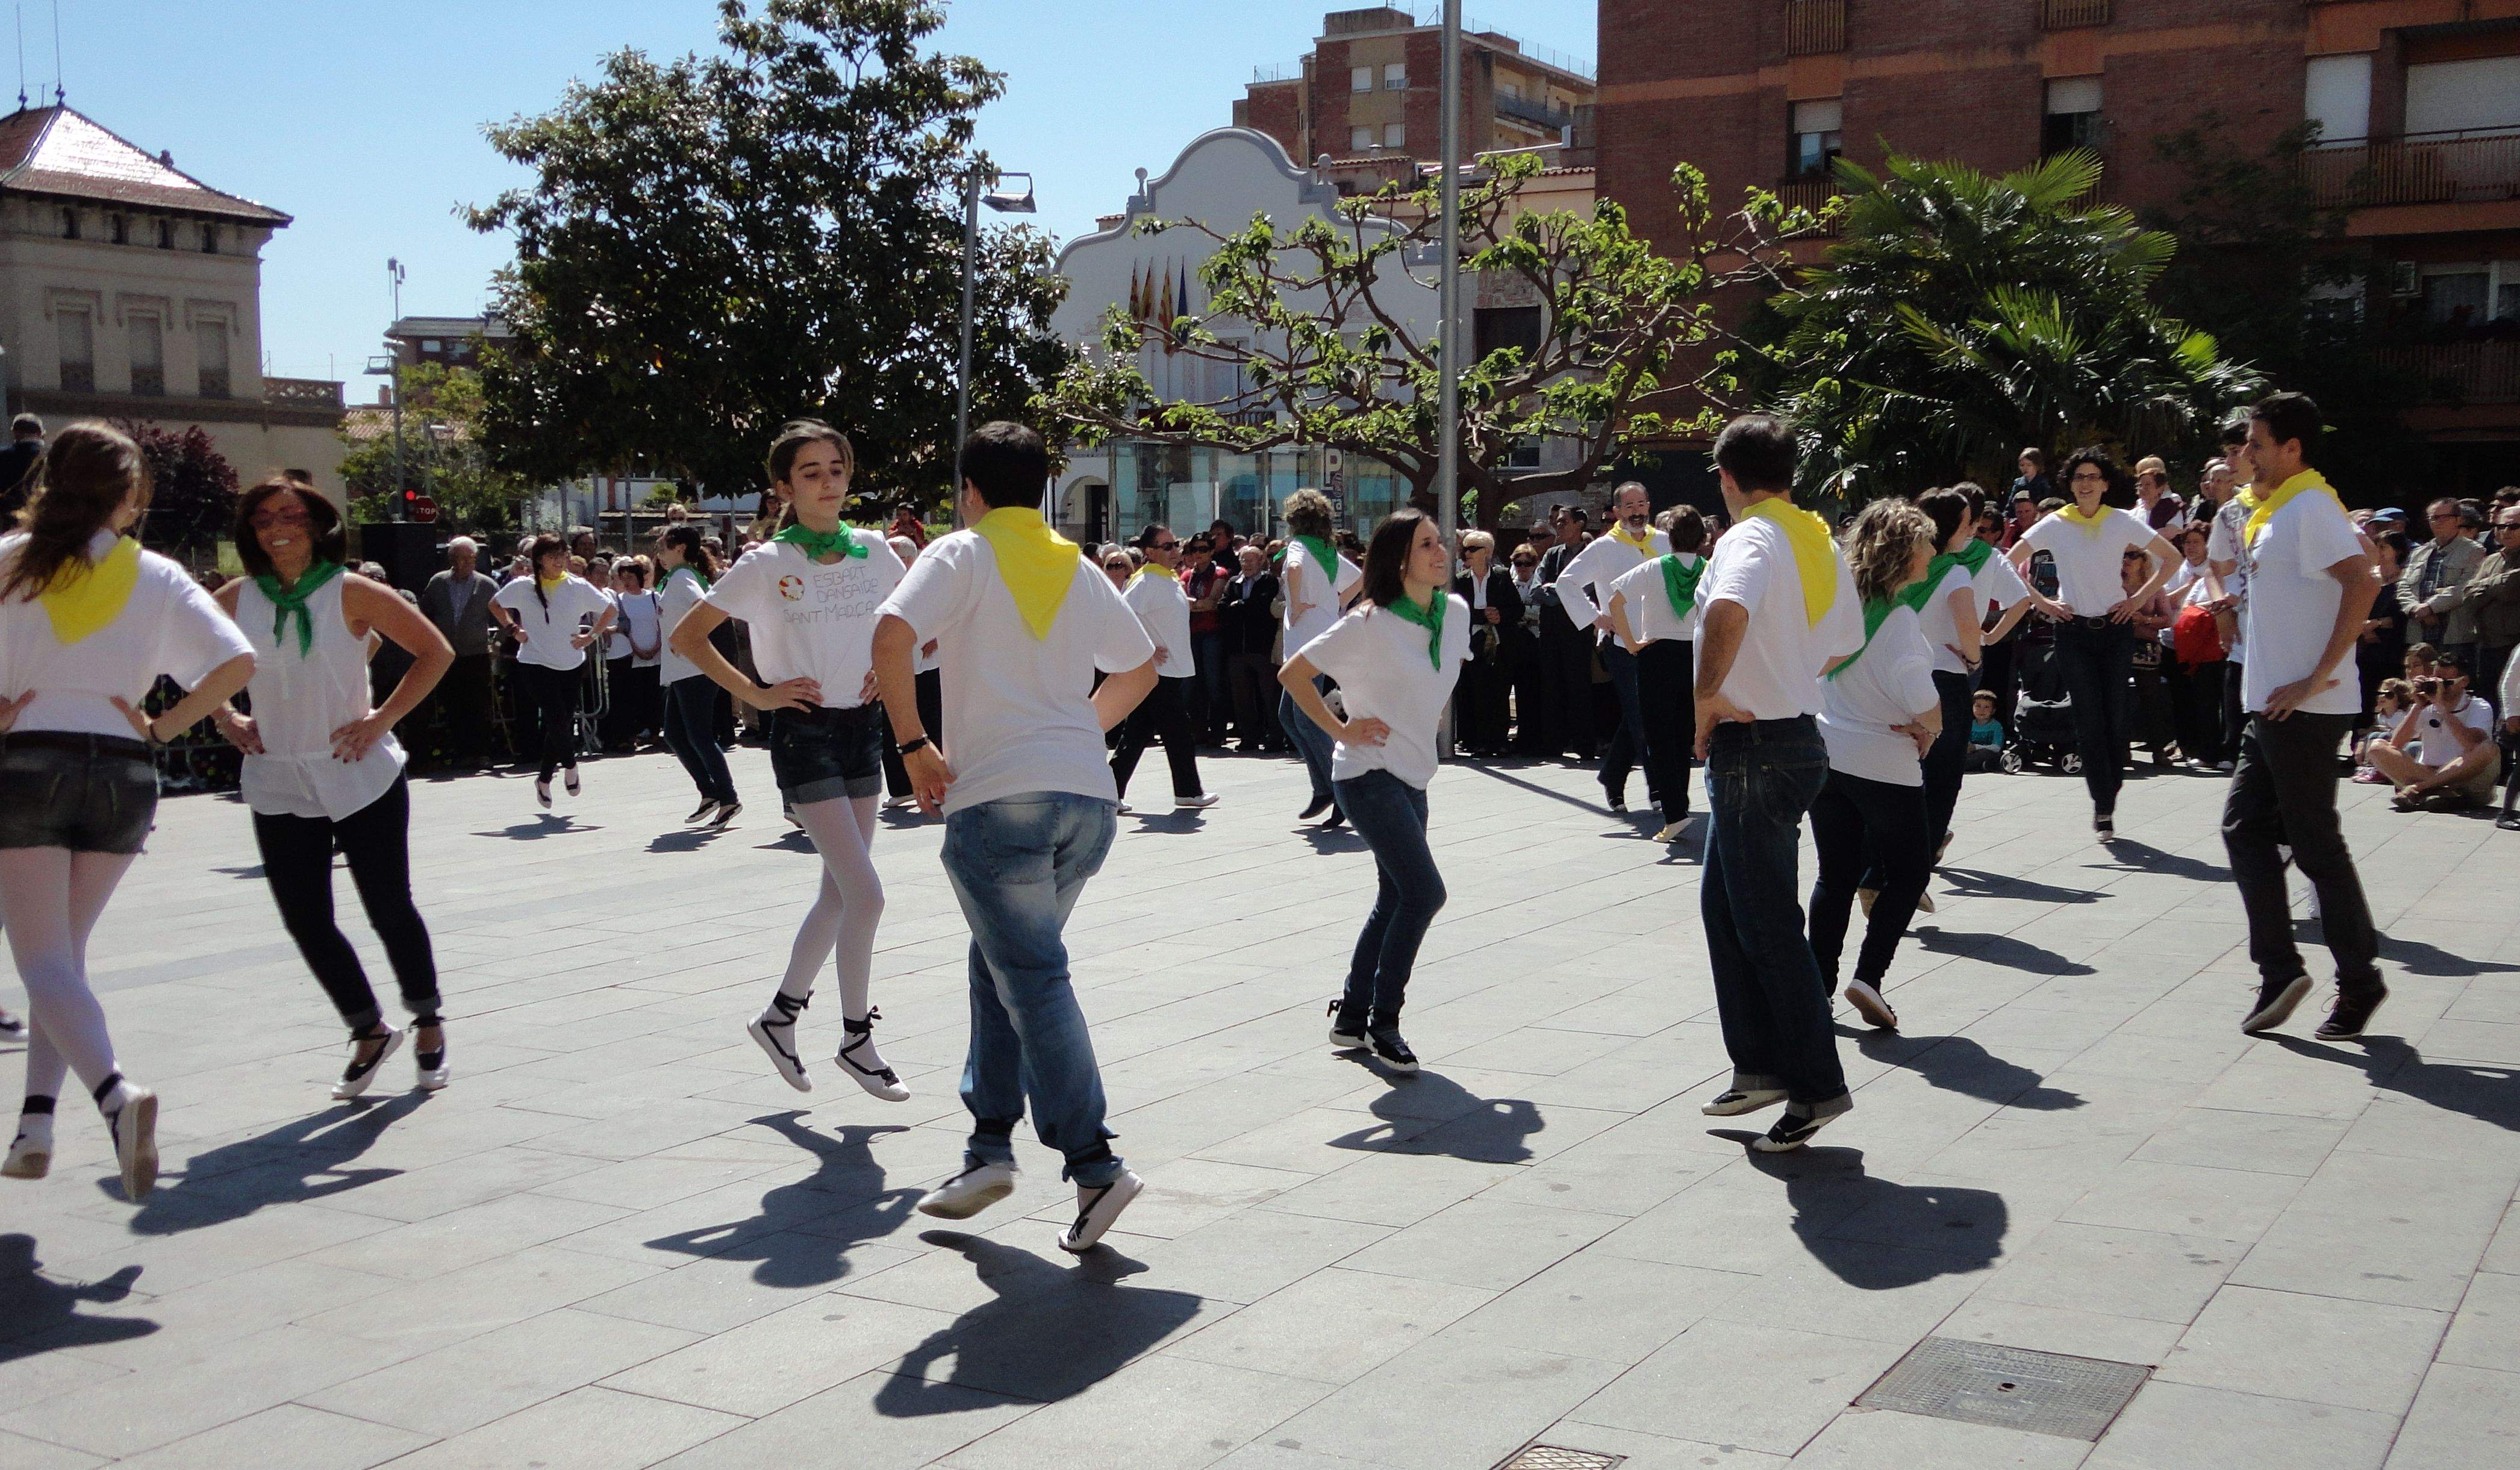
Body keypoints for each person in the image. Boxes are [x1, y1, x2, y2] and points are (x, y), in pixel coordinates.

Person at [872, 420, 1159, 1254]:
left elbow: (891, 634)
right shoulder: (1073, 562)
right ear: (1042, 489)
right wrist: (1075, 735)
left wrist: (915, 747)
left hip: (999, 801)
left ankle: (1095, 1163)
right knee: (998, 960)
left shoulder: (961, 552)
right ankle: (988, 1148)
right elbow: (1141, 667)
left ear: (970, 491)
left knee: (1031, 974)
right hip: (1085, 803)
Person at [0, 422, 257, 1198]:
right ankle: (36, 1124)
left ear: (49, 479)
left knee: (43, 960)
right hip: (122, 770)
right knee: (64, 960)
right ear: (131, 493)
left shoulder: (10, 562)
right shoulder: (158, 574)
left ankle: (116, 1097)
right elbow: (236, 660)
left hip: (28, 762)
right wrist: (165, 726)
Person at [667, 421, 911, 1102]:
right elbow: (688, 637)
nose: (828, 482)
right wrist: (757, 694)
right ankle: (856, 1038)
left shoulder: (872, 550)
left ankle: (778, 1018)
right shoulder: (766, 562)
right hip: (803, 733)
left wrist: (885, 671)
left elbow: (914, 624)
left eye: (836, 469)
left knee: (840, 891)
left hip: (863, 728)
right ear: (783, 486)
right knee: (865, 892)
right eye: (810, 472)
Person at [211, 475, 455, 1099]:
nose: (276, 527)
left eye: (289, 515)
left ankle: (428, 1022)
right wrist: (225, 716)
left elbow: (435, 652)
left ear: (318, 525)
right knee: (305, 919)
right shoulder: (237, 597)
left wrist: (380, 720)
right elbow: (191, 662)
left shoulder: (352, 592)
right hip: (278, 776)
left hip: (359, 772)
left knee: (387, 907)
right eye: (263, 519)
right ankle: (368, 1029)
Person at [1691, 413, 1863, 1153]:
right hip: (1789, 740)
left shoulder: (1751, 535)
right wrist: (1787, 672)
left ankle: (1816, 1085)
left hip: (1755, 747)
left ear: (1727, 478)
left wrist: (1707, 695)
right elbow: (1846, 641)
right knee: (1725, 906)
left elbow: (1727, 608)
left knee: (1763, 924)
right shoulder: (1814, 538)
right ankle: (1759, 1064)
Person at [2222, 393, 2387, 1041]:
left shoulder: (2311, 508)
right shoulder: (2272, 511)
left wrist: (2316, 678)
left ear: (2291, 449)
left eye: (2257, 443)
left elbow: (2365, 581)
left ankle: (2359, 982)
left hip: (2306, 710)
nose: (2247, 453)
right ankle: (2280, 970)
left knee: (2315, 845)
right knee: (2243, 830)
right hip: (2269, 708)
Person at [1280, 508, 1469, 1074]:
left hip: (1414, 774)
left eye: (1441, 542)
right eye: (1428, 545)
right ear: (1399, 559)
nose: (1442, 553)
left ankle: (1350, 1017)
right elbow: (1293, 675)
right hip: (1366, 774)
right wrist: (1341, 728)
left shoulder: (1452, 613)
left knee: (1395, 898)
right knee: (1424, 894)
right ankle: (1384, 1021)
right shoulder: (1366, 624)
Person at [1807, 499, 1942, 1034]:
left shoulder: (1840, 604)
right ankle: (1869, 976)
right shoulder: (1902, 621)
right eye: (1926, 543)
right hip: (1885, 763)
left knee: (1834, 877)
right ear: (1906, 554)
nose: (1932, 553)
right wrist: (1932, 726)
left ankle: (1817, 987)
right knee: (1910, 872)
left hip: (1828, 752)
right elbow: (1922, 699)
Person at [2009, 447, 2180, 841]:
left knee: (2116, 716)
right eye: (2079, 478)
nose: (2085, 484)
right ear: (2071, 484)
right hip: (2073, 632)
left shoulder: (2120, 521)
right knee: (2087, 716)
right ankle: (2103, 805)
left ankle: (2110, 792)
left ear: (2105, 484)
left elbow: (2169, 559)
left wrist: (2137, 599)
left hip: (2116, 630)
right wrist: (2042, 601)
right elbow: (2010, 561)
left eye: (2093, 477)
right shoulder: (2055, 523)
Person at [1555, 483, 1672, 813]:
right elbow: (1566, 582)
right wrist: (1596, 617)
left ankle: (1612, 774)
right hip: (1621, 644)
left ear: (1649, 506)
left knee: (1639, 714)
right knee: (1642, 713)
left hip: (1660, 640)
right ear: (1617, 511)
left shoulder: (1664, 542)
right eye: (1629, 506)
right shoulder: (1604, 548)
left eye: (1642, 504)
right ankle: (1658, 788)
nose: (1637, 511)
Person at [490, 534, 614, 807]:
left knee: (560, 722)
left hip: (570, 663)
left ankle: (544, 778)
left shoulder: (577, 586)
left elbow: (609, 609)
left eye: (562, 555)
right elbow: (495, 604)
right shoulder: (522, 585)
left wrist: (591, 636)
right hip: (535, 662)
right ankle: (570, 765)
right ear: (539, 560)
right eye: (552, 556)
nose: (559, 561)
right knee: (556, 717)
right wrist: (513, 629)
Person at [1609, 505, 1708, 842]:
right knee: (1686, 736)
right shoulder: (1710, 570)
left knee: (1660, 738)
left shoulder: (1652, 567)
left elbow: (1615, 601)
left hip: (1656, 655)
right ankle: (1681, 808)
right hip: (1695, 657)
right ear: (1703, 539)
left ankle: (1675, 813)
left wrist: (1632, 643)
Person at [1110, 524, 1216, 813]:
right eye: (1167, 546)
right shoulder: (1146, 582)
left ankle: (1109, 792)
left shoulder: (1165, 579)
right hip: (1159, 671)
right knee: (1176, 731)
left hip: (1171, 669)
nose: (1175, 551)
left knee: (1137, 732)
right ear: (1149, 551)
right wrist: (1145, 648)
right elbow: (1122, 615)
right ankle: (1188, 791)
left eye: (1175, 544)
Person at [1279, 488, 1362, 827]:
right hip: (1317, 639)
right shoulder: (1327, 550)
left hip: (1306, 644)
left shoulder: (1299, 547)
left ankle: (1339, 790)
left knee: (1306, 719)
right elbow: (1359, 578)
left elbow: (1294, 567)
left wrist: (1297, 603)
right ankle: (1325, 788)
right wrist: (1338, 604)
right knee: (1290, 716)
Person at [655, 524, 740, 825]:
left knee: (699, 736)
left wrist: (688, 638)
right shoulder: (678, 578)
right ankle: (710, 792)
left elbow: (705, 609)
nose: (660, 555)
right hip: (682, 671)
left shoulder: (682, 578)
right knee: (676, 736)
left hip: (694, 669)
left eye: (663, 548)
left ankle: (728, 797)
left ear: (679, 548)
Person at [2366, 650, 2501, 812]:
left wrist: (2443, 709)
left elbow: (2472, 744)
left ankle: (2420, 789)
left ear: (2464, 681)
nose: (2440, 688)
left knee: (2487, 748)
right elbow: (2396, 744)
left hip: (2467, 778)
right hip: (2430, 770)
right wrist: (2418, 706)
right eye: (2436, 682)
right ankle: (2439, 792)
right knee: (2377, 747)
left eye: (2447, 683)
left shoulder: (2479, 706)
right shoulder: (2426, 705)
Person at [419, 536, 501, 770]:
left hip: (476, 653)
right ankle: (461, 752)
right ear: (451, 559)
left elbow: (504, 616)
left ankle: (482, 753)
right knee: (454, 704)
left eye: (470, 559)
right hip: (447, 654)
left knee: (479, 705)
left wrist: (497, 643)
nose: (466, 563)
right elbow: (424, 613)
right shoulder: (438, 583)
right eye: (460, 559)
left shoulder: (486, 585)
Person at [1534, 506, 1596, 759]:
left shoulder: (1591, 554)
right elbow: (1537, 591)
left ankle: (1584, 745)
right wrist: (1567, 594)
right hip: (1551, 630)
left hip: (1579, 630)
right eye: (1557, 522)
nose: (1558, 527)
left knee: (1579, 687)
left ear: (1579, 525)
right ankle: (1553, 744)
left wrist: (1558, 591)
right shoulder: (1551, 555)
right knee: (1551, 686)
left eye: (1564, 522)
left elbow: (1590, 590)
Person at [1452, 530, 1520, 757]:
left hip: (1498, 642)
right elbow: (1455, 611)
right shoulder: (1460, 581)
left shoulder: (1501, 576)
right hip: (1472, 641)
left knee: (1499, 690)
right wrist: (1481, 617)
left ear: (1487, 553)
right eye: (1465, 549)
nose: (1467, 553)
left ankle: (1498, 740)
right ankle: (1476, 740)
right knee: (1474, 690)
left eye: (1473, 549)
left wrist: (1501, 615)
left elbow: (1517, 608)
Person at [2449, 502, 2520, 715]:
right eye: (2500, 527)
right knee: (2489, 704)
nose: (2505, 531)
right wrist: (2495, 585)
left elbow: (2512, 587)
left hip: (2515, 645)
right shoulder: (2490, 560)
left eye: (2514, 527)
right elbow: (2469, 597)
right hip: (2487, 645)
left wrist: (2485, 586)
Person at [2402, 497, 2486, 674]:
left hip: (2454, 634)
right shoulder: (2419, 553)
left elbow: (2466, 587)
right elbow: (2403, 586)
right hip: (2419, 633)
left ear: (2458, 520)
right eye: (2433, 518)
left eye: (2444, 517)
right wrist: (2415, 608)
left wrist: (2430, 607)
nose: (2438, 522)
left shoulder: (2475, 551)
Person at [1217, 543, 1281, 753]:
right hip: (1237, 648)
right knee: (1242, 696)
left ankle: (1274, 735)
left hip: (1261, 647)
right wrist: (1239, 607)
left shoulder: (1269, 581)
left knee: (1269, 695)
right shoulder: (1234, 582)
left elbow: (1263, 608)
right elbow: (1223, 607)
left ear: (1261, 561)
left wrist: (1241, 607)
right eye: (1244, 560)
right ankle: (1249, 736)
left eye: (1252, 560)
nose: (1247, 564)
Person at [602, 557, 664, 752]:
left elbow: (661, 624)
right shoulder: (620, 601)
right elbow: (624, 628)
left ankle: (655, 731)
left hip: (656, 653)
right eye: (623, 578)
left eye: (630, 577)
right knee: (635, 694)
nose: (627, 581)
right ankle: (635, 732)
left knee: (655, 693)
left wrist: (656, 646)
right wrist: (637, 649)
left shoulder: (654, 597)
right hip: (633, 655)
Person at [1506, 535, 1548, 755]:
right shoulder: (1509, 581)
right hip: (1515, 642)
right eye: (1518, 563)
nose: (1522, 568)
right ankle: (1520, 735)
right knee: (1518, 691)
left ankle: (1534, 738)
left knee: (1532, 692)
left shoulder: (1538, 582)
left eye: (1527, 563)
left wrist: (1522, 613)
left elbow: (1539, 611)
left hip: (1535, 641)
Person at [0, 414, 44, 524]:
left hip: (7, 515)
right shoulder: (51, 455)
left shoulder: (4, 455)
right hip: (40, 514)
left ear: (15, 432)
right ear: (40, 433)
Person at [1966, 690, 2006, 771]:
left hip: (1988, 753)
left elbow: (1997, 747)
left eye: (1986, 707)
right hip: (1971, 754)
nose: (1981, 710)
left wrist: (1975, 747)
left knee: (1985, 754)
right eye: (1978, 706)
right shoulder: (1969, 724)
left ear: (1993, 711)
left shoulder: (1996, 726)